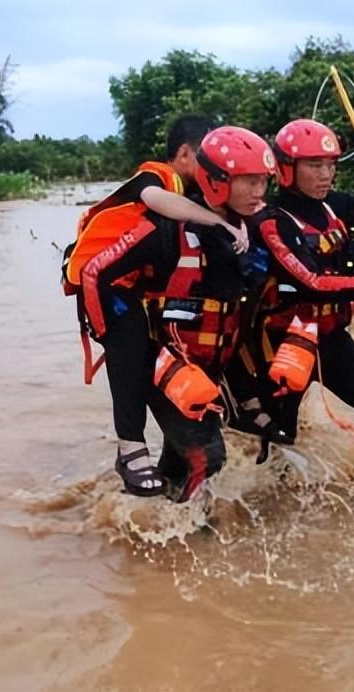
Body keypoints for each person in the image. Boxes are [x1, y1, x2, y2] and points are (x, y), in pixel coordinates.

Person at [75, 125, 276, 501]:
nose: (259, 192)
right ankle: (135, 456)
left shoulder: (256, 227)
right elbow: (96, 273)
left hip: (207, 363)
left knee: (182, 462)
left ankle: (148, 532)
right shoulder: (164, 219)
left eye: (263, 182)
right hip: (163, 354)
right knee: (209, 456)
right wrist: (118, 334)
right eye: (248, 182)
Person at [226, 118, 354, 467]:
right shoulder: (271, 221)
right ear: (286, 168)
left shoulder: (332, 206)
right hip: (279, 347)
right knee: (274, 450)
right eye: (314, 165)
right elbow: (312, 283)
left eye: (330, 165)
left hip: (329, 339)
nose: (326, 174)